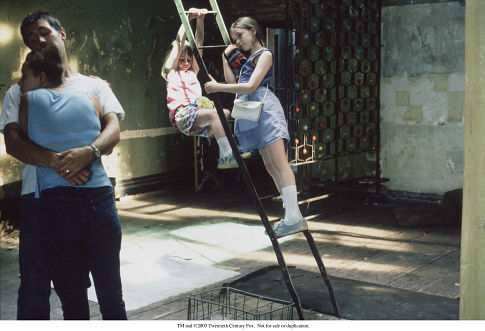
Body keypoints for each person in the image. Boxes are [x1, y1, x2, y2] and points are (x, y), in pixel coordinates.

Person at [0, 11, 124, 319]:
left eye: (43, 32)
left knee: (104, 288)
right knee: (36, 285)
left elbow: (113, 129)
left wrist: (90, 151)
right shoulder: (19, 91)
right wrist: (61, 162)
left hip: (93, 198)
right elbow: (14, 142)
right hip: (39, 199)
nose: (38, 41)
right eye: (30, 39)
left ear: (62, 33)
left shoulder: (93, 86)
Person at [204, 17, 307, 238]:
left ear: (253, 31)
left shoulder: (264, 55)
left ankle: (293, 216)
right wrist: (224, 56)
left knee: (279, 163)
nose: (237, 41)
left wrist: (217, 87)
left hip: (266, 110)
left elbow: (250, 87)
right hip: (253, 114)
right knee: (270, 166)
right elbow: (233, 82)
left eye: (240, 36)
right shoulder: (247, 61)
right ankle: (292, 214)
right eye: (234, 39)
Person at [161, 8, 250, 169]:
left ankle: (229, 152)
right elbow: (179, 42)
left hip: (197, 111)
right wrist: (188, 19)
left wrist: (200, 20)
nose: (186, 62)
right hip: (183, 113)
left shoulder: (192, 71)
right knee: (216, 115)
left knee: (226, 114)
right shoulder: (171, 71)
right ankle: (227, 156)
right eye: (182, 59)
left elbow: (199, 44)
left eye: (189, 59)